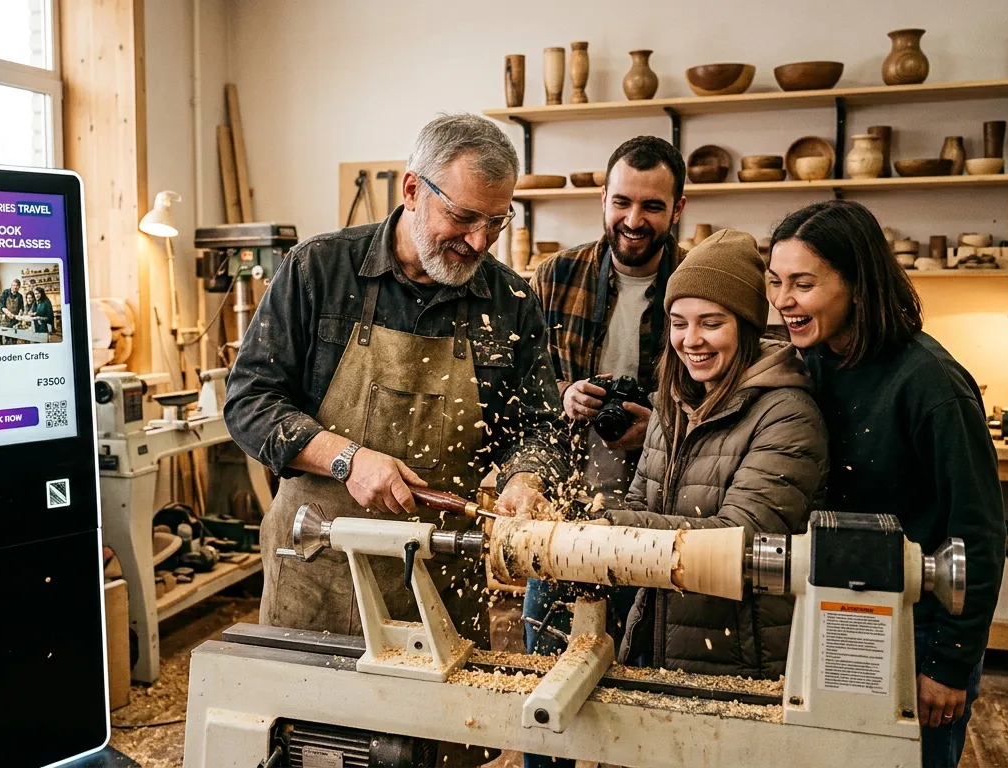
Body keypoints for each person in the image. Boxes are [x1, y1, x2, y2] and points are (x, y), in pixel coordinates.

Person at [225, 114, 570, 649]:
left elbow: (539, 428)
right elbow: (249, 402)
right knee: (314, 728)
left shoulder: (510, 303)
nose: (480, 242)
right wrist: (348, 458)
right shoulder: (318, 270)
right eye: (464, 216)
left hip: (440, 570)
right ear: (413, 189)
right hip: (320, 564)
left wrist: (526, 480)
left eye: (497, 223)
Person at [767, 199, 1005, 768]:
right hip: (839, 612)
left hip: (920, 630)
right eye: (775, 281)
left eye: (803, 283)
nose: (783, 301)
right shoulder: (815, 360)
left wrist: (949, 664)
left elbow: (978, 531)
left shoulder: (931, 384)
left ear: (858, 284)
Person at [607, 229, 827, 681]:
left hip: (738, 656)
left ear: (745, 326)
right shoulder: (671, 404)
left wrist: (604, 527)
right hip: (654, 639)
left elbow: (739, 539)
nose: (691, 340)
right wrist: (591, 519)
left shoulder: (788, 414)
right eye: (679, 322)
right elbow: (637, 505)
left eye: (711, 323)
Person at [520, 136, 687, 696]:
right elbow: (521, 388)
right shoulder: (552, 278)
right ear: (603, 198)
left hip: (660, 520)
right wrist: (564, 394)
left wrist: (657, 430)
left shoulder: (697, 288)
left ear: (679, 208)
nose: (633, 220)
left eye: (652, 206)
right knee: (549, 680)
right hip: (562, 514)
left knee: (640, 694)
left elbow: (732, 406)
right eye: (622, 202)